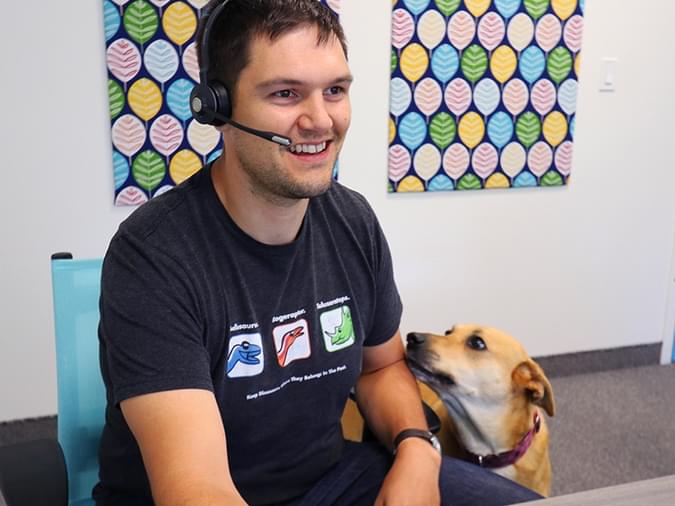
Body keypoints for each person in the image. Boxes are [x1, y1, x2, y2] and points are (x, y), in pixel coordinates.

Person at [93, 1, 543, 504]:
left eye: (335, 91)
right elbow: (196, 487)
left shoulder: (352, 222)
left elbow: (380, 366)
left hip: (331, 482)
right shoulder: (153, 259)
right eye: (286, 93)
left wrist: (418, 448)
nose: (320, 120)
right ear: (217, 109)